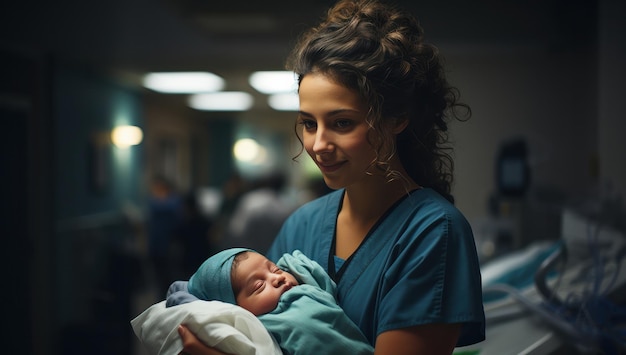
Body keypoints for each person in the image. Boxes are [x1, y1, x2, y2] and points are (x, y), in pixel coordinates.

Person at [178, 0, 485, 353]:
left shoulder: (432, 233)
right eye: (309, 123)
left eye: (342, 123)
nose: (318, 144)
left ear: (397, 118)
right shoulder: (303, 225)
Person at [167, 248, 374, 355]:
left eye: (275, 269)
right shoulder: (265, 325)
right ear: (235, 308)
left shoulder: (306, 288)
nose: (277, 278)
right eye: (258, 286)